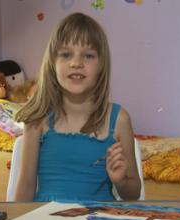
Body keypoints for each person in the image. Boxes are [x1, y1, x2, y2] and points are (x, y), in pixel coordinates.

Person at [14, 12, 141, 202]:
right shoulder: (37, 118)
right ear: (52, 63)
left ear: (101, 65)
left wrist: (121, 181)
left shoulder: (119, 119)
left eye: (88, 56)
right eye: (66, 54)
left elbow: (133, 193)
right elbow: (25, 186)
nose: (76, 63)